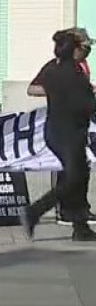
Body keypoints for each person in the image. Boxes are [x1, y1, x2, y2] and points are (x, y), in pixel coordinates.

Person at [21, 29, 96, 242]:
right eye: (84, 47)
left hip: (58, 131)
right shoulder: (73, 74)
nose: (87, 50)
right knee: (74, 179)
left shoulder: (55, 71)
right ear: (75, 49)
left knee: (79, 176)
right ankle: (34, 212)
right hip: (68, 134)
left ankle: (80, 227)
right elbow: (87, 106)